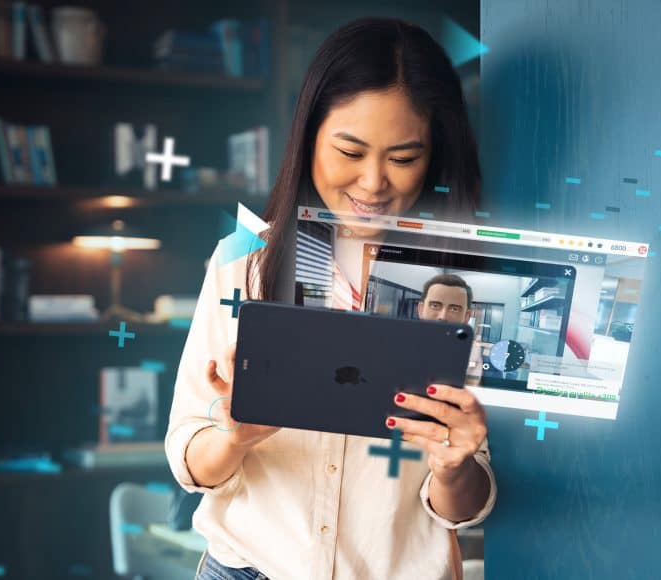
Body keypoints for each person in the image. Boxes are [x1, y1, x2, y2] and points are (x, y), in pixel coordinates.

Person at [166, 18, 496, 580]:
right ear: (310, 133)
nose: (373, 183)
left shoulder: (463, 285)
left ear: (434, 153)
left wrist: (454, 466)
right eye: (350, 150)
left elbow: (464, 509)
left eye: (403, 157)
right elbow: (188, 454)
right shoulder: (242, 258)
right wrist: (232, 437)